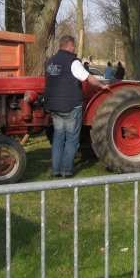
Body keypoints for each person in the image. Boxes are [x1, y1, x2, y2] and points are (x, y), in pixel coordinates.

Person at [44, 35, 109, 178]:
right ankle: (66, 170)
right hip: (71, 106)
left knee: (58, 138)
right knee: (72, 139)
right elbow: (89, 78)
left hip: (54, 106)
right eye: (74, 46)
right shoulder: (72, 62)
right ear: (71, 46)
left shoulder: (49, 62)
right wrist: (102, 86)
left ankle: (56, 170)